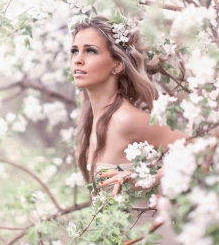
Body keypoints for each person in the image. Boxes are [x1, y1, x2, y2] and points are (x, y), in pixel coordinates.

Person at [70, 17, 185, 244]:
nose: (78, 60)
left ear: (117, 64)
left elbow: (195, 145)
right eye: (75, 51)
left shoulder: (125, 119)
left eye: (90, 51)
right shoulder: (92, 121)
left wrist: (150, 177)